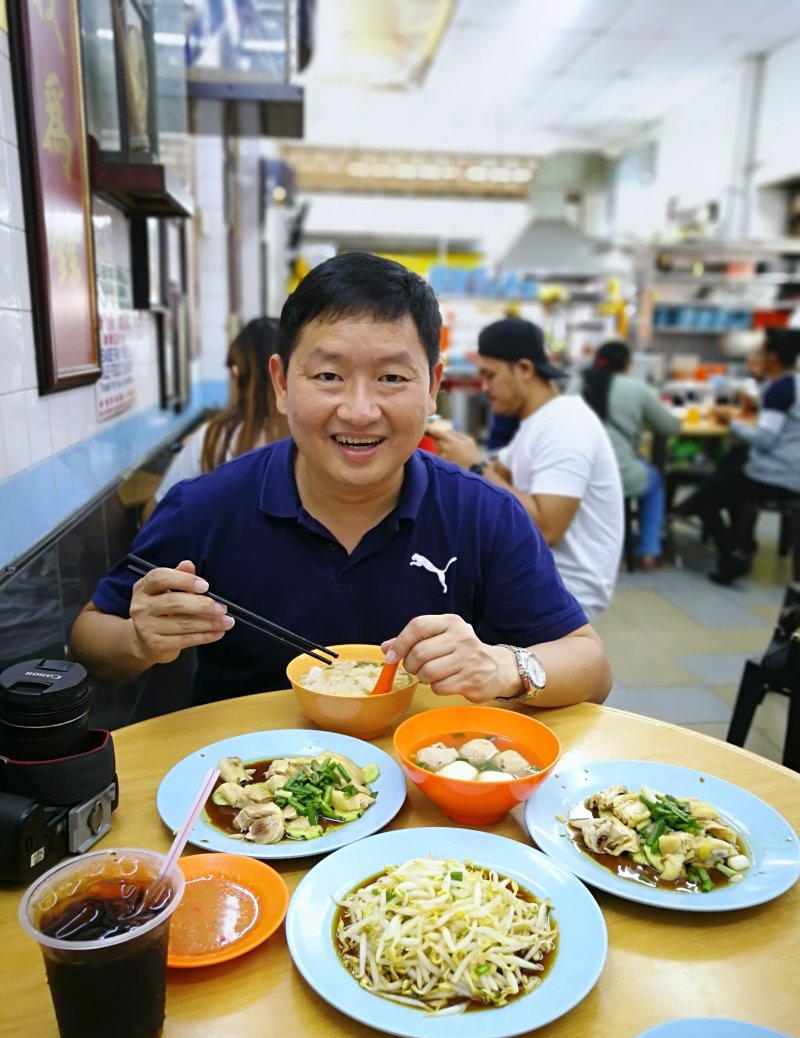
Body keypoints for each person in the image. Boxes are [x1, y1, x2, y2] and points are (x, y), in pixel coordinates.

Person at [68, 254, 611, 710]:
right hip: (246, 789)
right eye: (328, 376)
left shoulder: (484, 513)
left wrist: (508, 665)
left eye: (392, 378)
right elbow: (91, 638)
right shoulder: (204, 508)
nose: (358, 411)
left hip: (425, 791)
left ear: (433, 388)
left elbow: (591, 666)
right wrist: (140, 639)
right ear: (282, 384)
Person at [431, 317, 624, 620]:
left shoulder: (566, 423)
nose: (486, 387)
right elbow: (497, 477)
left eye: (490, 375)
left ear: (524, 369)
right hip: (535, 573)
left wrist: (474, 463)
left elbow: (547, 527)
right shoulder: (536, 425)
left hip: (563, 591)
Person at [677, 327, 800, 585]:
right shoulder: (793, 383)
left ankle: (732, 554)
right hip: (792, 470)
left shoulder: (781, 389)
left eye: (763, 351)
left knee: (708, 498)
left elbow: (765, 440)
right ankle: (741, 543)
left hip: (776, 475)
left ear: (773, 357)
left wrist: (730, 421)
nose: (759, 356)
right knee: (734, 463)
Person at [142, 318, 289, 521]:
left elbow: (155, 514)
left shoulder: (214, 438)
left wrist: (190, 451)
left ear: (237, 373)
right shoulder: (305, 434)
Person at [569, 340, 681, 569]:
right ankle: (649, 550)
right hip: (621, 472)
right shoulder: (638, 388)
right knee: (655, 480)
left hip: (577, 472)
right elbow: (669, 427)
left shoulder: (577, 383)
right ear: (626, 365)